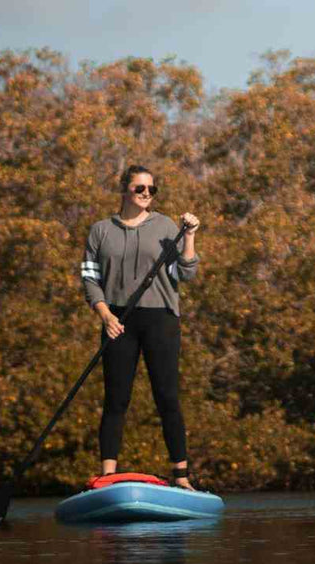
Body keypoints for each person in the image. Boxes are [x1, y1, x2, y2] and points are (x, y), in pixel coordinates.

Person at [81, 165, 202, 489]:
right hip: (117, 320)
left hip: (160, 317)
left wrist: (189, 236)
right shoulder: (100, 231)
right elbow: (90, 279)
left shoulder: (165, 226)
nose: (146, 193)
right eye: (140, 188)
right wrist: (105, 315)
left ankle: (181, 476)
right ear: (125, 190)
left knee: (167, 396)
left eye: (152, 189)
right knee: (116, 398)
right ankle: (107, 476)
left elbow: (186, 273)